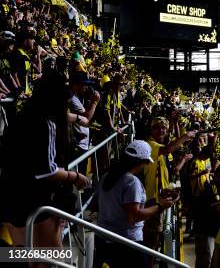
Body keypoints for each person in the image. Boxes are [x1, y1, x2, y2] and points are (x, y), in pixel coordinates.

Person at [0, 71, 89, 250]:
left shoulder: (23, 115)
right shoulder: (46, 123)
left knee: (21, 255)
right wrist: (76, 177)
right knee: (54, 254)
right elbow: (47, 171)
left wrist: (77, 118)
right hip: (33, 199)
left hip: (9, 193)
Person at [95, 140, 177, 268]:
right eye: (145, 163)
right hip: (127, 244)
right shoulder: (131, 182)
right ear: (141, 162)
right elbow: (134, 216)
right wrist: (161, 205)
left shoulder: (107, 176)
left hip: (104, 240)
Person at [143, 116, 195, 251]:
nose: (161, 131)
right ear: (151, 130)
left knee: (156, 238)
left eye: (163, 128)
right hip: (151, 200)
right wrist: (185, 136)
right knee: (151, 240)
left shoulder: (162, 147)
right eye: (157, 128)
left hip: (159, 198)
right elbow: (167, 149)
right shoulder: (150, 145)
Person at [194, 166, 220, 268]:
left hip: (213, 231)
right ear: (215, 176)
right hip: (204, 231)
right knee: (205, 260)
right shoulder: (212, 188)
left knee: (212, 261)